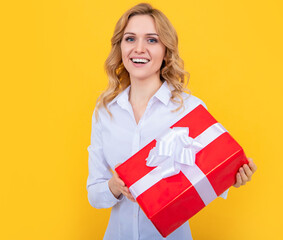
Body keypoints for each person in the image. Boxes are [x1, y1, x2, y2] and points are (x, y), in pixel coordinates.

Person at [86, 3, 257, 240]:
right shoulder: (105, 112)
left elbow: (203, 174)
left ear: (166, 50)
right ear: (120, 47)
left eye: (152, 40)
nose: (139, 49)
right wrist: (114, 187)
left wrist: (232, 177)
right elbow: (94, 193)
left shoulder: (189, 108)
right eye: (130, 38)